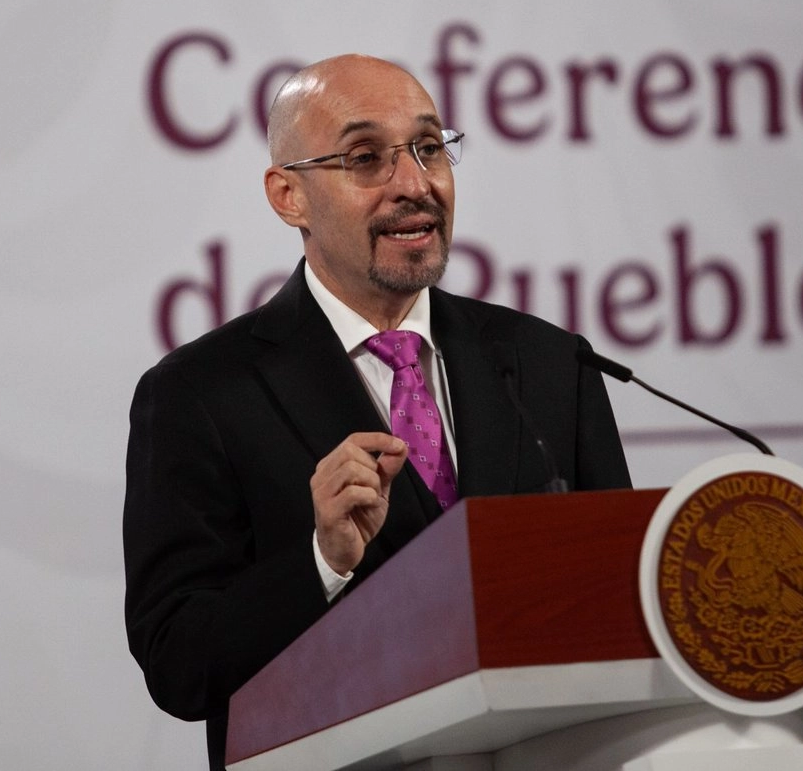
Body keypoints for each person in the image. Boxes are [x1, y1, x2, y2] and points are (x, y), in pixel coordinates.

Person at [123, 54, 632, 769]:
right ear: (288, 195)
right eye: (367, 158)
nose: (415, 185)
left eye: (430, 148)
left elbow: (621, 605)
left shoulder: (549, 363)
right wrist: (320, 560)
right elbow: (178, 663)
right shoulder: (201, 394)